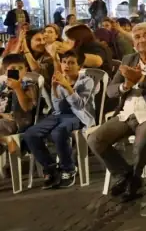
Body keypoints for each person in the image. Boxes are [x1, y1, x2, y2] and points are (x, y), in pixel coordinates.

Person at [87, 23, 146, 201]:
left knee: (141, 142)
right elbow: (110, 91)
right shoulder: (128, 60)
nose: (142, 40)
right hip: (127, 113)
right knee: (95, 139)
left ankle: (136, 179)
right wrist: (126, 85)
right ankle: (125, 174)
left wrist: (141, 78)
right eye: (137, 37)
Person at [22, 50, 95, 189]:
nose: (67, 65)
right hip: (60, 115)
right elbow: (58, 108)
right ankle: (51, 168)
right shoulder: (59, 78)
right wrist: (55, 89)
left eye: (71, 63)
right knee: (30, 133)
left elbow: (79, 106)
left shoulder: (87, 81)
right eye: (64, 62)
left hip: (79, 116)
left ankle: (68, 169)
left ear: (79, 67)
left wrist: (67, 87)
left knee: (58, 132)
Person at [0, 54, 37, 155]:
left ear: (26, 70)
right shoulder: (2, 84)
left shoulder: (29, 85)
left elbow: (27, 107)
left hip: (17, 122)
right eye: (12, 69)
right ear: (5, 70)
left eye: (20, 68)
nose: (17, 71)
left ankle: (6, 142)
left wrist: (18, 88)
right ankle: (5, 141)